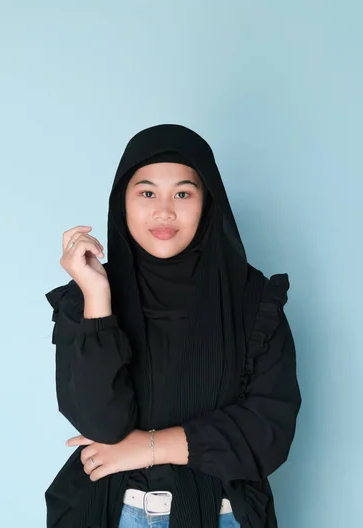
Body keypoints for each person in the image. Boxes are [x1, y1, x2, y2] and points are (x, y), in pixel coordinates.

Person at [44, 124, 302, 528]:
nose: (164, 211)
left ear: (207, 203)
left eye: (183, 193)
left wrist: (147, 447)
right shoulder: (86, 299)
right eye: (147, 193)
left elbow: (269, 431)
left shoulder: (254, 300)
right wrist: (97, 297)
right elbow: (102, 425)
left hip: (222, 515)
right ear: (122, 203)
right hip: (112, 512)